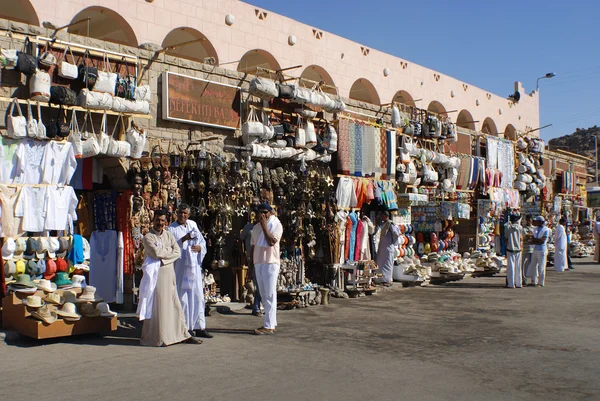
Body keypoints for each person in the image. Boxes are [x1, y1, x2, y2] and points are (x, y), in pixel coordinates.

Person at [138, 210, 201, 346]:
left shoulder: (169, 235)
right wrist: (168, 252)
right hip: (156, 275)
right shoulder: (148, 237)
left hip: (168, 272)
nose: (160, 223)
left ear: (165, 222)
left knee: (173, 304)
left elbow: (177, 252)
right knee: (159, 305)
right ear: (153, 221)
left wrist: (164, 258)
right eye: (157, 220)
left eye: (162, 221)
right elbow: (155, 253)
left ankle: (179, 334)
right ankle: (160, 337)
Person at [168, 204, 212, 339]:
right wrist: (184, 239)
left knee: (198, 295)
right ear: (177, 213)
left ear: (189, 214)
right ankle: (186, 327)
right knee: (184, 297)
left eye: (185, 213)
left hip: (194, 267)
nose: (183, 216)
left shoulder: (192, 224)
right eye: (180, 213)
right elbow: (171, 247)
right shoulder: (171, 228)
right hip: (181, 267)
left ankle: (199, 326)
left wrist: (200, 248)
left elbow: (202, 242)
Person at [250, 203, 283, 335]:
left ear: (270, 213)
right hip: (258, 261)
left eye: (265, 212)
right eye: (261, 212)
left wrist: (264, 225)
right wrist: (250, 264)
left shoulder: (276, 225)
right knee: (263, 293)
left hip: (270, 262)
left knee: (270, 293)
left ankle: (268, 326)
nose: (263, 215)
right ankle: (271, 322)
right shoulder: (256, 228)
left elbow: (271, 242)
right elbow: (253, 247)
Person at [241, 200, 262, 317]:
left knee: (259, 284)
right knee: (256, 282)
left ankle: (257, 305)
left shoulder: (263, 227)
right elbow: (241, 237)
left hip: (262, 258)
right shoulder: (249, 227)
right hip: (251, 257)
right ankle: (256, 306)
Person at [375, 210, 400, 286]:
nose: (381, 217)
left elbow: (395, 234)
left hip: (388, 247)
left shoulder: (391, 224)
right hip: (382, 247)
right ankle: (381, 279)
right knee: (380, 263)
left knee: (388, 264)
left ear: (386, 216)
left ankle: (388, 280)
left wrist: (393, 242)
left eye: (382, 216)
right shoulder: (384, 224)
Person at [528, 216, 550, 287]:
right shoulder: (535, 229)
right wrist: (535, 240)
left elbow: (542, 241)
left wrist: (534, 241)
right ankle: (534, 281)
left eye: (537, 221)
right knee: (533, 266)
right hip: (535, 249)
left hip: (542, 250)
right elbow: (534, 239)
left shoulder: (546, 230)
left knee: (541, 267)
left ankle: (541, 282)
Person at [504, 213, 523, 288]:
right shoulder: (520, 227)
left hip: (510, 248)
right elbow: (521, 238)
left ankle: (511, 284)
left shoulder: (508, 227)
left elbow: (506, 238)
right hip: (518, 249)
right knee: (518, 267)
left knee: (511, 267)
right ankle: (519, 283)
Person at [521, 215, 534, 286]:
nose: (529, 221)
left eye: (530, 220)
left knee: (533, 265)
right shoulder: (524, 228)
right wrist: (532, 235)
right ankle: (524, 278)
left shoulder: (534, 228)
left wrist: (531, 235)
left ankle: (533, 279)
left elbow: (534, 235)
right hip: (526, 248)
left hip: (533, 248)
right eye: (528, 220)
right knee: (524, 264)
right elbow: (526, 235)